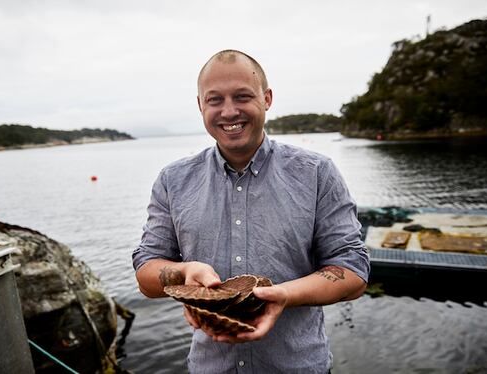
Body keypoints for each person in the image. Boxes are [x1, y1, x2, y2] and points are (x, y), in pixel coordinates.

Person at [132, 49, 370, 374]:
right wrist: (183, 273)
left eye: (242, 96)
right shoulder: (173, 181)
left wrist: (285, 294)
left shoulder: (317, 173)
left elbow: (353, 272)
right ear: (201, 105)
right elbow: (147, 274)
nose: (229, 111)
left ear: (267, 98)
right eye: (215, 100)